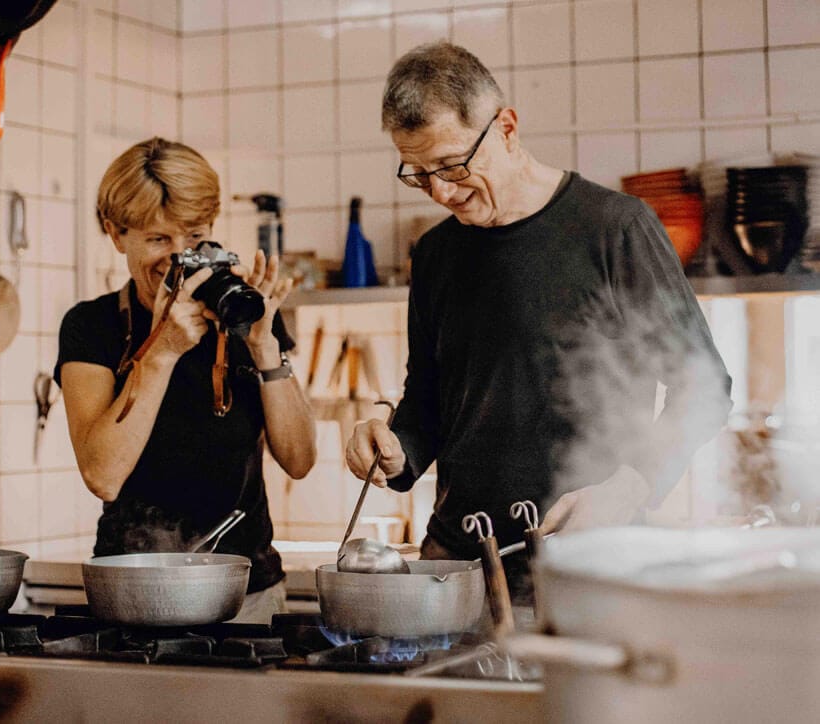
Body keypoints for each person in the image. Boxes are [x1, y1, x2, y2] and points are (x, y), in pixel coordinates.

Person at [344, 42, 732, 602]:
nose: (442, 192)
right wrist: (395, 447)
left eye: (452, 166)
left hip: (588, 565)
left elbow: (705, 388)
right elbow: (429, 401)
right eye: (419, 174)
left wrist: (629, 487)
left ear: (506, 127)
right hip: (459, 569)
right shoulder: (434, 254)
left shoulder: (613, 229)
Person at [55, 138, 316, 623]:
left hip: (247, 592)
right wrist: (164, 351)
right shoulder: (92, 327)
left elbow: (299, 461)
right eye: (158, 239)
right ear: (116, 234)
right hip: (135, 592)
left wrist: (264, 348)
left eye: (194, 237)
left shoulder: (241, 311)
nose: (178, 257)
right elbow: (103, 475)